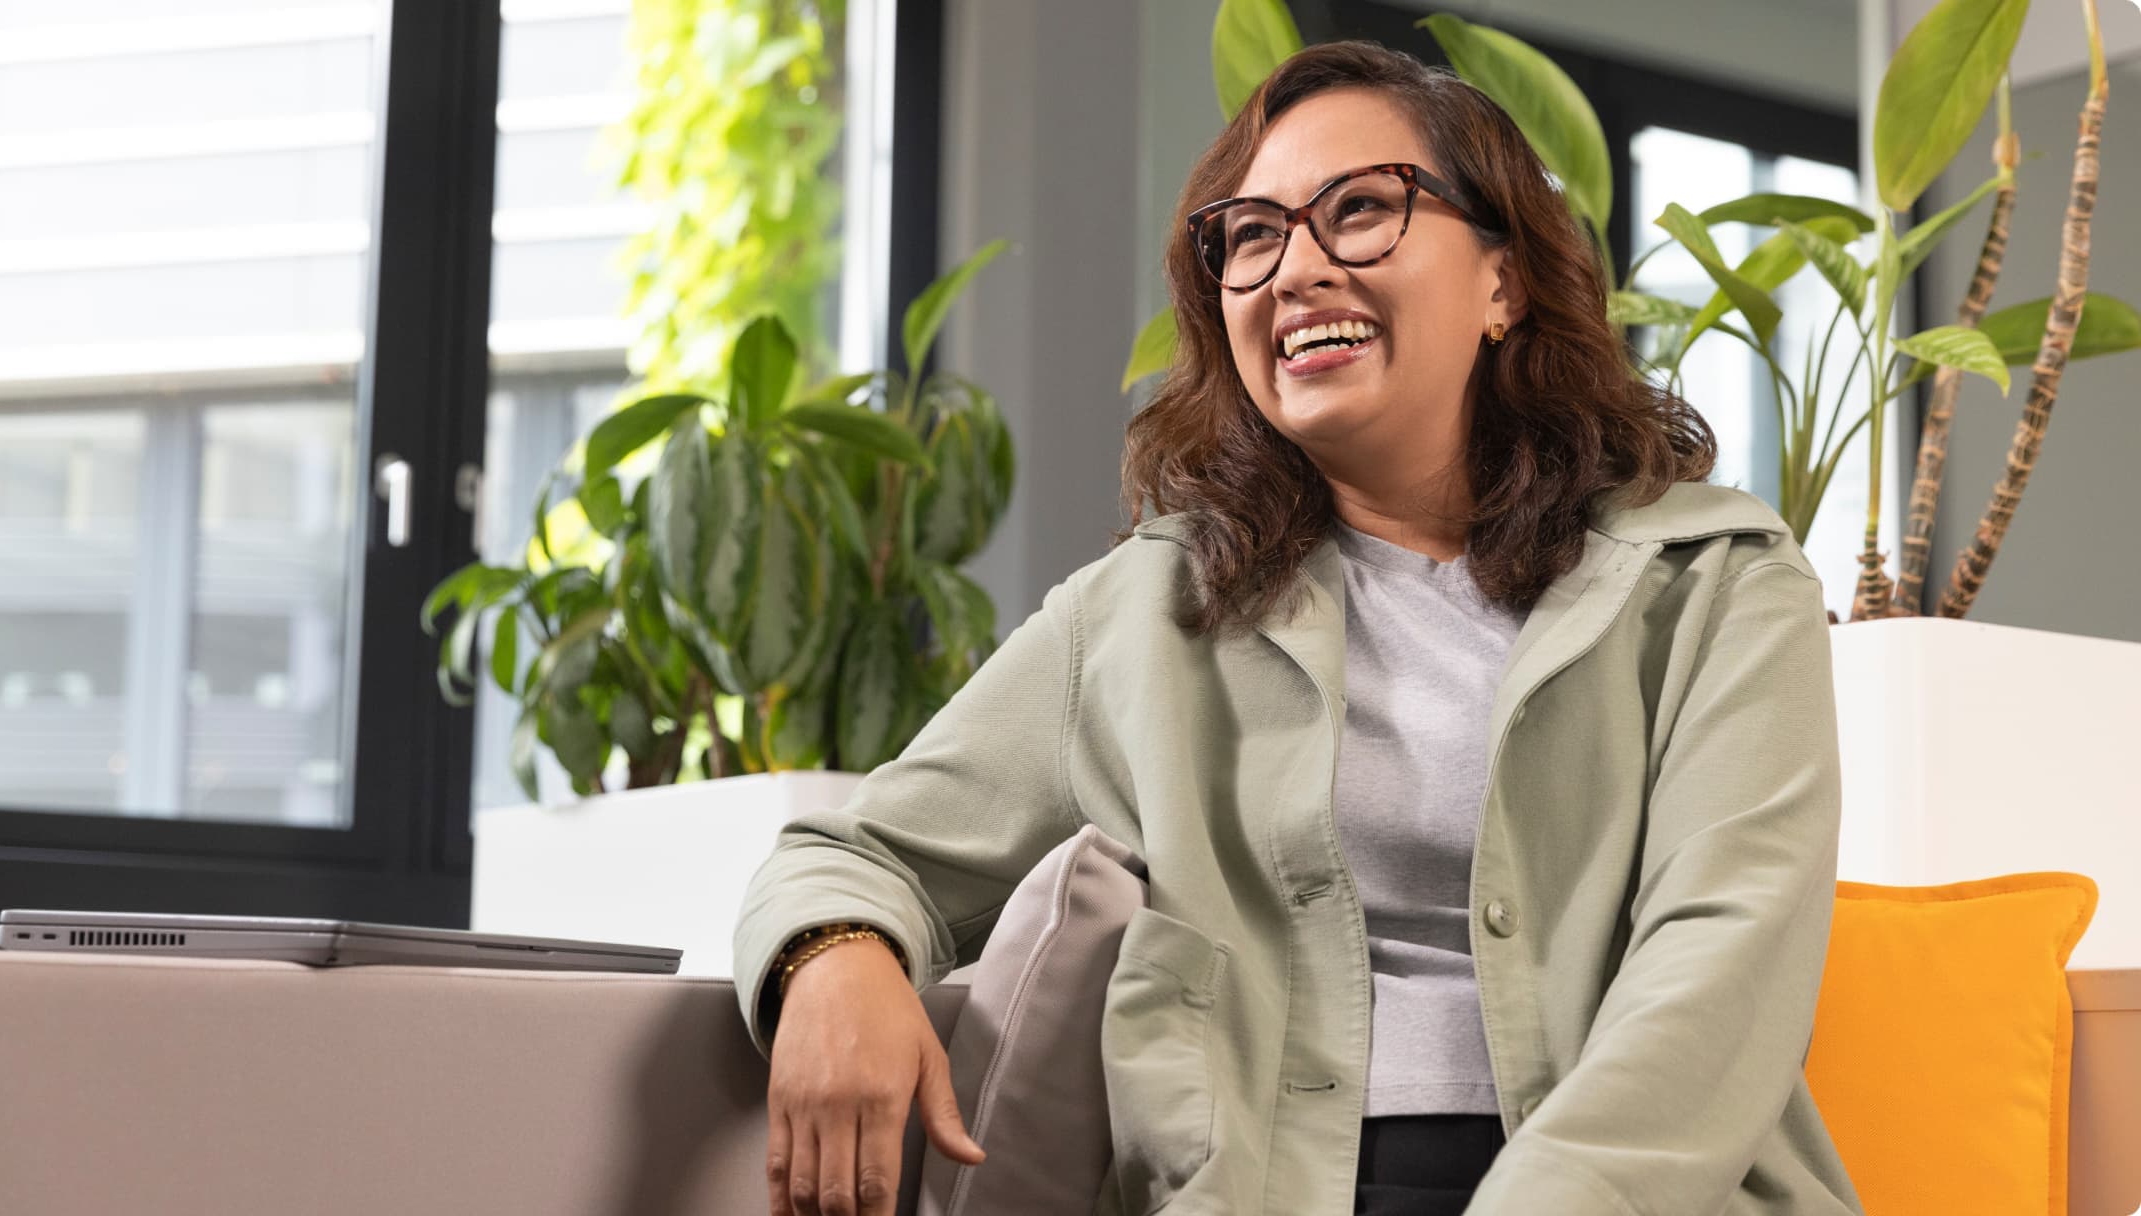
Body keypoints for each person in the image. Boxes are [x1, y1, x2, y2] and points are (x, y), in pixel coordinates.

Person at [734, 40, 1863, 1216]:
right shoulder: (1143, 616)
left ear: (1503, 281)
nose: (1295, 270)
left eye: (1362, 209)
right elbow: (854, 857)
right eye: (1254, 237)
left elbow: (1717, 972)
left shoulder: (1714, 581)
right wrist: (833, 960)